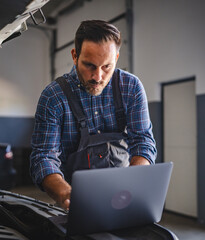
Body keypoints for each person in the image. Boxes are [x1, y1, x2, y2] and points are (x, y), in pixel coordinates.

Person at [30, 20, 157, 210]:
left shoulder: (130, 87)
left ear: (117, 57)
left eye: (107, 66)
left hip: (123, 196)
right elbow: (43, 157)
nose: (98, 77)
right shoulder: (53, 97)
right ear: (75, 56)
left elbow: (143, 141)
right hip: (73, 202)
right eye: (89, 65)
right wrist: (66, 195)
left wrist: (132, 185)